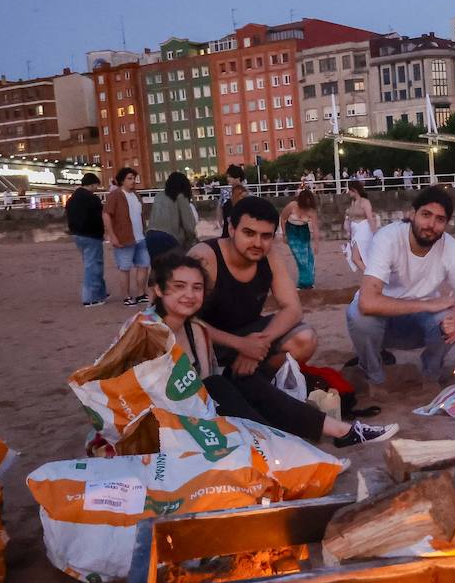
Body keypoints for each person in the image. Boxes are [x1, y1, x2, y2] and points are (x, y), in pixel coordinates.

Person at [147, 255, 396, 448]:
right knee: (218, 385)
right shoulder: (145, 332)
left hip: (200, 416)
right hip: (166, 428)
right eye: (179, 287)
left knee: (241, 381)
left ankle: (341, 432)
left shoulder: (195, 329)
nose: (189, 295)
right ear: (158, 289)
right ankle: (283, 447)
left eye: (196, 288)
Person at [346, 186, 455, 388]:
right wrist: (426, 305)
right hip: (379, 325)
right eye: (426, 215)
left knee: (448, 319)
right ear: (412, 214)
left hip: (419, 326)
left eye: (440, 219)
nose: (431, 225)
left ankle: (430, 374)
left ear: (445, 224)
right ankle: (373, 376)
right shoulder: (388, 237)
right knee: (358, 315)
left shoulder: (451, 248)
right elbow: (368, 302)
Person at [188, 196, 318, 377]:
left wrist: (258, 345)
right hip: (205, 340)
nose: (257, 243)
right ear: (232, 229)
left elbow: (293, 309)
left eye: (266, 236)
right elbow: (184, 319)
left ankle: (253, 381)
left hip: (250, 333)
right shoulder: (205, 258)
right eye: (249, 233)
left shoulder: (270, 256)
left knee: (305, 339)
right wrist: (240, 344)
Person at [102, 167, 151, 306]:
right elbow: (106, 214)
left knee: (144, 265)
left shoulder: (136, 195)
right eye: (129, 178)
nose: (133, 181)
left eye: (134, 178)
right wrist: (112, 235)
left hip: (140, 237)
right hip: (124, 238)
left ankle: (141, 293)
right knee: (125, 268)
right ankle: (126, 296)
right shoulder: (115, 195)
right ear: (122, 180)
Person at [66, 172, 109, 307]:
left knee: (91, 263)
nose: (96, 188)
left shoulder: (72, 199)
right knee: (93, 266)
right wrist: (103, 232)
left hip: (78, 235)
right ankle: (90, 298)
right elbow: (98, 218)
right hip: (92, 235)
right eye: (96, 185)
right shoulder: (92, 199)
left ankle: (100, 292)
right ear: (92, 184)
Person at [146, 171, 199, 262]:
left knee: (157, 270)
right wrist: (192, 240)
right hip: (169, 239)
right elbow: (189, 226)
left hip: (151, 237)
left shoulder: (158, 196)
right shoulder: (181, 197)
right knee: (172, 271)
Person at [280, 188, 320, 290]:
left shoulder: (311, 211)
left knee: (308, 257)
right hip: (291, 231)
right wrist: (284, 234)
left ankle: (309, 281)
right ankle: (304, 282)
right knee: (300, 258)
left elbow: (315, 228)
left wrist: (316, 244)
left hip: (304, 232)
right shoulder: (292, 205)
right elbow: (283, 218)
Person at [343, 180, 379, 274]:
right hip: (356, 231)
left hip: (364, 230)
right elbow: (350, 218)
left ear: (355, 190)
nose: (348, 192)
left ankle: (371, 275)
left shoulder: (365, 202)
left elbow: (370, 218)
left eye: (350, 190)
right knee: (358, 258)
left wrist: (376, 234)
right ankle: (370, 275)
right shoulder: (353, 202)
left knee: (355, 258)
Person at [219, 164, 247, 238]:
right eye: (227, 176)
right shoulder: (224, 191)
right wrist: (220, 221)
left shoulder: (246, 193)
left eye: (230, 176)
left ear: (238, 177)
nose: (228, 179)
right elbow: (220, 207)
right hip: (226, 228)